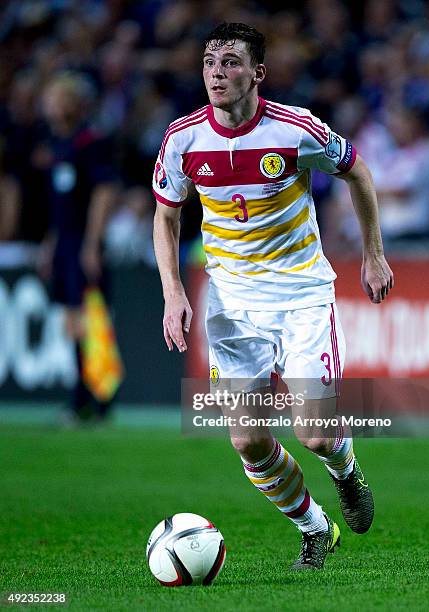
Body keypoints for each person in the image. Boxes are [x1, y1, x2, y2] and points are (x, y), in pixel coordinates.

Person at [152, 23, 394, 570]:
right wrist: (173, 292)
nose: (217, 71)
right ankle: (314, 528)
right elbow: (166, 217)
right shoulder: (183, 139)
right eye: (210, 61)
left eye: (231, 62)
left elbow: (357, 173)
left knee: (314, 432)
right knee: (247, 440)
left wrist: (373, 254)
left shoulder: (296, 129)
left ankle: (345, 470)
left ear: (257, 73)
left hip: (302, 295)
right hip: (233, 307)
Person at [37, 72, 118, 424]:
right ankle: (84, 398)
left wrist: (92, 243)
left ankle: (93, 398)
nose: (50, 106)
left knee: (88, 319)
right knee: (72, 320)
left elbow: (104, 192)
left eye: (56, 98)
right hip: (65, 243)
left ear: (71, 102)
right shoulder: (58, 145)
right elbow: (60, 206)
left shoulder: (89, 142)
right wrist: (51, 245)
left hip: (83, 242)